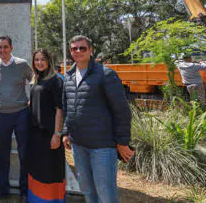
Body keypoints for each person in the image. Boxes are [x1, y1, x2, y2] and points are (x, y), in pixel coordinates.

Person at [62, 35, 134, 203]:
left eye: (82, 48)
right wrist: (65, 132)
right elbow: (68, 108)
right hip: (79, 146)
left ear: (90, 51)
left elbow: (122, 110)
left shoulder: (105, 74)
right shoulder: (69, 77)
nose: (78, 51)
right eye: (74, 48)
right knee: (87, 191)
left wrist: (122, 142)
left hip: (102, 146)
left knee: (105, 194)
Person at [0, 36, 33, 201]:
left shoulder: (21, 64)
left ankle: (24, 191)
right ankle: (3, 189)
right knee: (3, 153)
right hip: (1, 116)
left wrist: (32, 99)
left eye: (5, 47)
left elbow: (33, 79)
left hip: (21, 114)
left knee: (24, 153)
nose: (2, 50)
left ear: (11, 48)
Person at [27, 49, 66, 203]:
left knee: (50, 171)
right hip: (35, 133)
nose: (39, 62)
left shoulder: (56, 81)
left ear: (49, 61)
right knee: (37, 169)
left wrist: (57, 134)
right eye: (36, 59)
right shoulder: (36, 80)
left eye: (43, 59)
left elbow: (59, 109)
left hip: (49, 134)